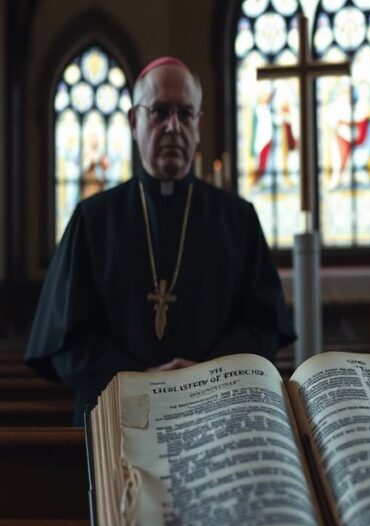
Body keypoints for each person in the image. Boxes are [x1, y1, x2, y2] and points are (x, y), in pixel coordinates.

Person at [26, 57, 295, 424]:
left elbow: (262, 328)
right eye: (160, 111)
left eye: (186, 113)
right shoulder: (92, 220)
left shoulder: (238, 218)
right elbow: (66, 345)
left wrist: (206, 373)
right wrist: (142, 381)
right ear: (134, 122)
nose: (173, 126)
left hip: (216, 414)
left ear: (199, 127)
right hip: (117, 416)